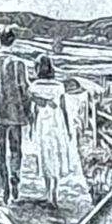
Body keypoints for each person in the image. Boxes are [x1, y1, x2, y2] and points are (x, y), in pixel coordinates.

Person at [29, 55, 90, 202]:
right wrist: (69, 128)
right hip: (57, 122)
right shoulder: (59, 86)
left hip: (43, 122)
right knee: (56, 153)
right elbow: (63, 109)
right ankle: (54, 192)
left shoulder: (34, 86)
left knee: (45, 153)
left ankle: (48, 190)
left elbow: (33, 110)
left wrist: (31, 127)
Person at [0, 27, 34, 203]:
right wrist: (29, 111)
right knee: (15, 149)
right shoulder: (18, 63)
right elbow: (25, 89)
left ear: (0, 40)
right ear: (13, 41)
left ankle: (4, 185)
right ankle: (15, 178)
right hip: (15, 111)